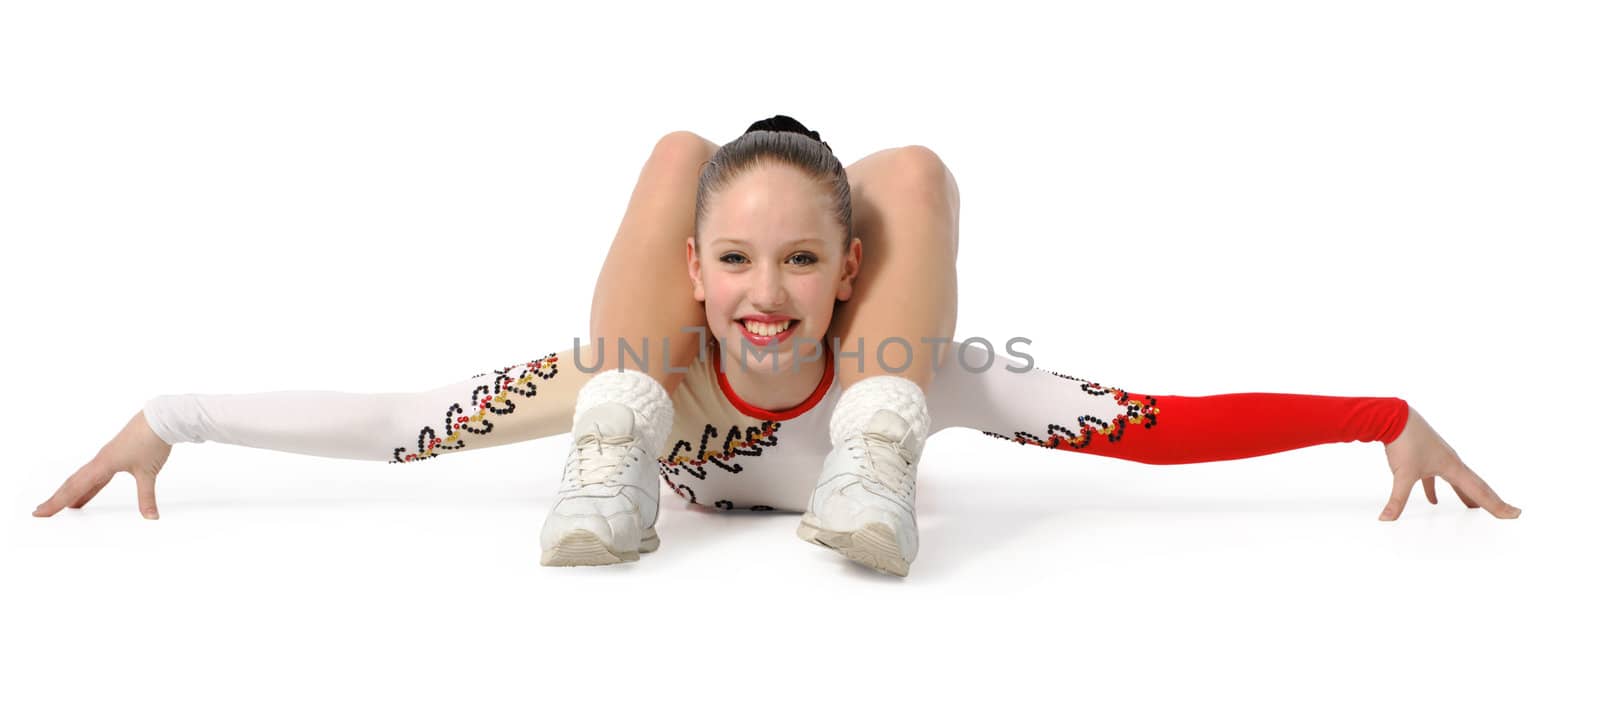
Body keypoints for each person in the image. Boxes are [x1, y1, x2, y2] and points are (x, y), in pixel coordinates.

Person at [32, 116, 1521, 578]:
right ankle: (610, 461)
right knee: (675, 158)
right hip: (633, 392)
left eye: (801, 260)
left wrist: (1376, 412)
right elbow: (409, 421)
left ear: (845, 273)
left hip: (884, 395)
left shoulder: (932, 362)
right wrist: (178, 413)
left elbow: (1151, 420)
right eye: (735, 260)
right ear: (693, 270)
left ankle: (874, 464)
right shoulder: (659, 342)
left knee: (917, 166)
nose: (763, 294)